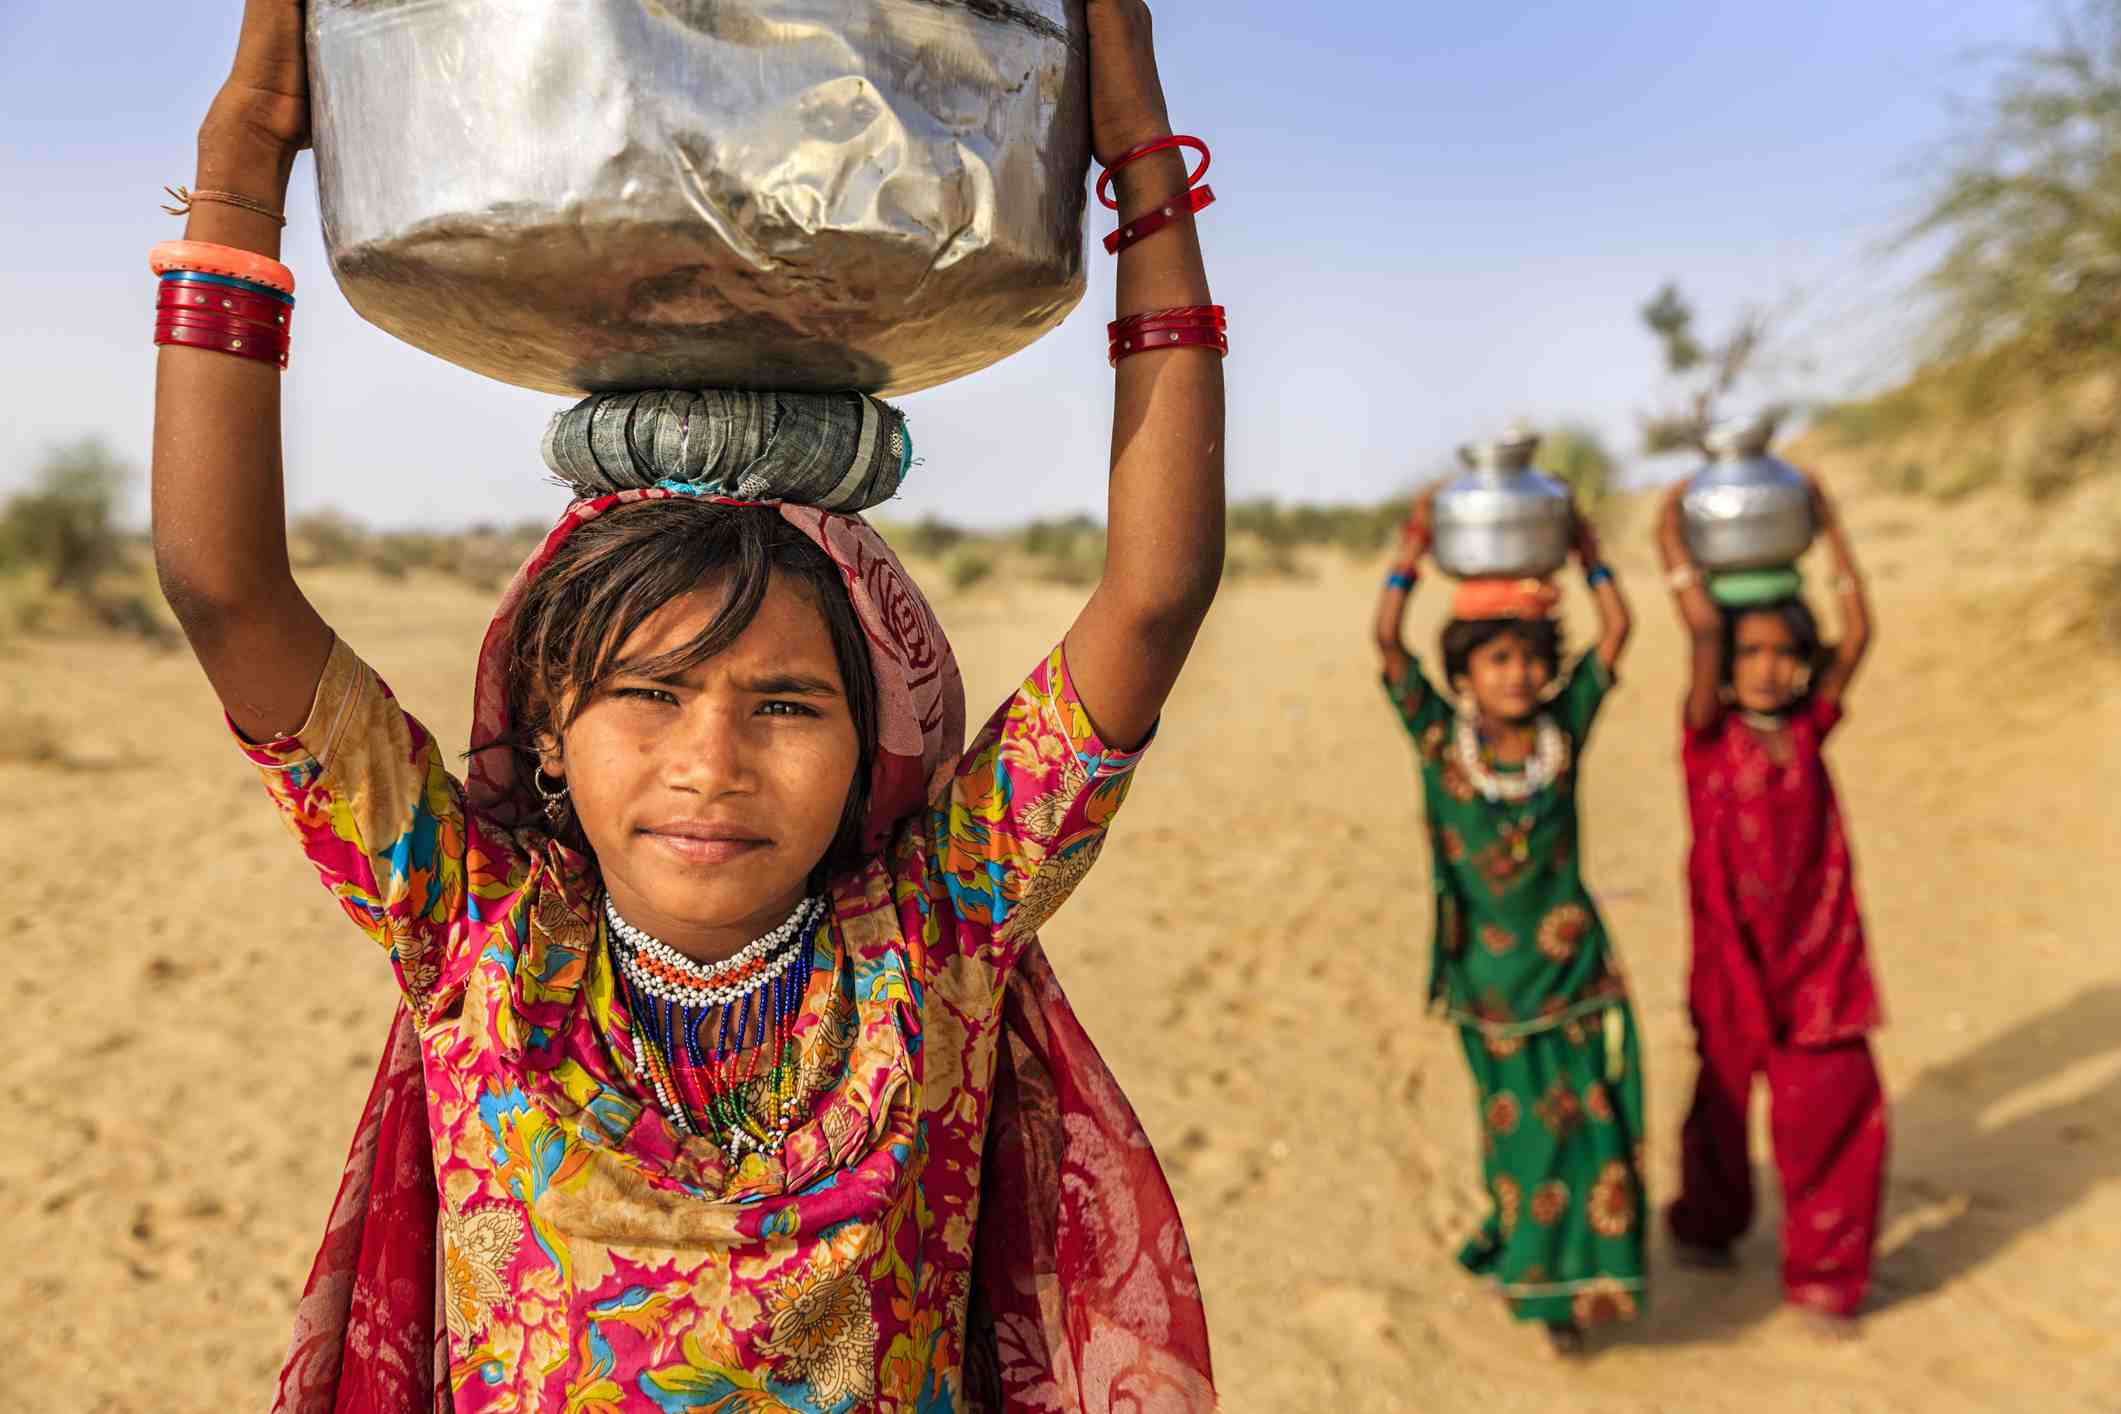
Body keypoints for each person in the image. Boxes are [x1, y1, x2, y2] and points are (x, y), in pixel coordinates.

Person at [151, 1, 1226, 1407]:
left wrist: (1144, 168)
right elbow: (225, 587)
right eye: (645, 695)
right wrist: (241, 173)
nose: (708, 760)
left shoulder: (934, 946)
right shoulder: (478, 943)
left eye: (785, 705)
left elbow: (1151, 596)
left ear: (874, 739)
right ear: (545, 728)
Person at [1371, 488, 1648, 1354]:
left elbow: (1614, 633)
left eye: (1529, 658)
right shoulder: (1433, 737)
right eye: (1495, 659)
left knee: (1592, 1130)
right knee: (1523, 1150)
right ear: (1462, 675)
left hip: (1571, 974)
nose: (1517, 674)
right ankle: (1542, 1294)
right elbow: (1385, 644)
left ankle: (1591, 1280)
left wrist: (1586, 549)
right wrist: (1411, 553)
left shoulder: (1562, 729)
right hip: (1486, 987)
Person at [1655, 476, 1887, 1337]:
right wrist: (1671, 550)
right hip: (1728, 956)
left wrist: (1830, 532)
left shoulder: (1809, 725)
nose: (1766, 669)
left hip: (1819, 956)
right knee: (1717, 1105)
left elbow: (1856, 631)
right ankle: (1706, 1229)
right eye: (1747, 655)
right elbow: (1706, 632)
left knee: (1829, 1105)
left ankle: (1827, 1280)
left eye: (1784, 653)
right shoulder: (1705, 736)